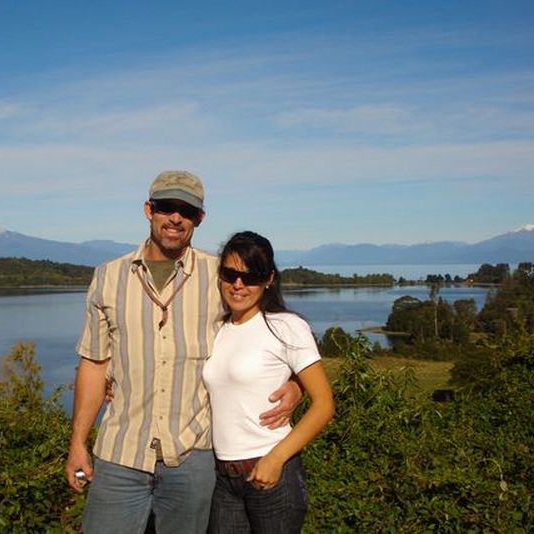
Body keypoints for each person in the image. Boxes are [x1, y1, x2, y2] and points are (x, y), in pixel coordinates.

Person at [65, 171, 303, 534]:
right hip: (120, 453)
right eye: (166, 207)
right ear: (149, 210)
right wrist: (78, 443)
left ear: (199, 219)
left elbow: (270, 328)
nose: (175, 218)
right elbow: (95, 364)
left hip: (193, 458)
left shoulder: (220, 275)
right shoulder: (108, 278)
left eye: (186, 210)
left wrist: (296, 381)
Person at [203, 231, 335, 533]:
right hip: (223, 481)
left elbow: (324, 404)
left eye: (251, 276)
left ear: (268, 279)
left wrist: (275, 459)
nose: (239, 284)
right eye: (230, 274)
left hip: (273, 475)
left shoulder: (286, 326)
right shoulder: (217, 328)